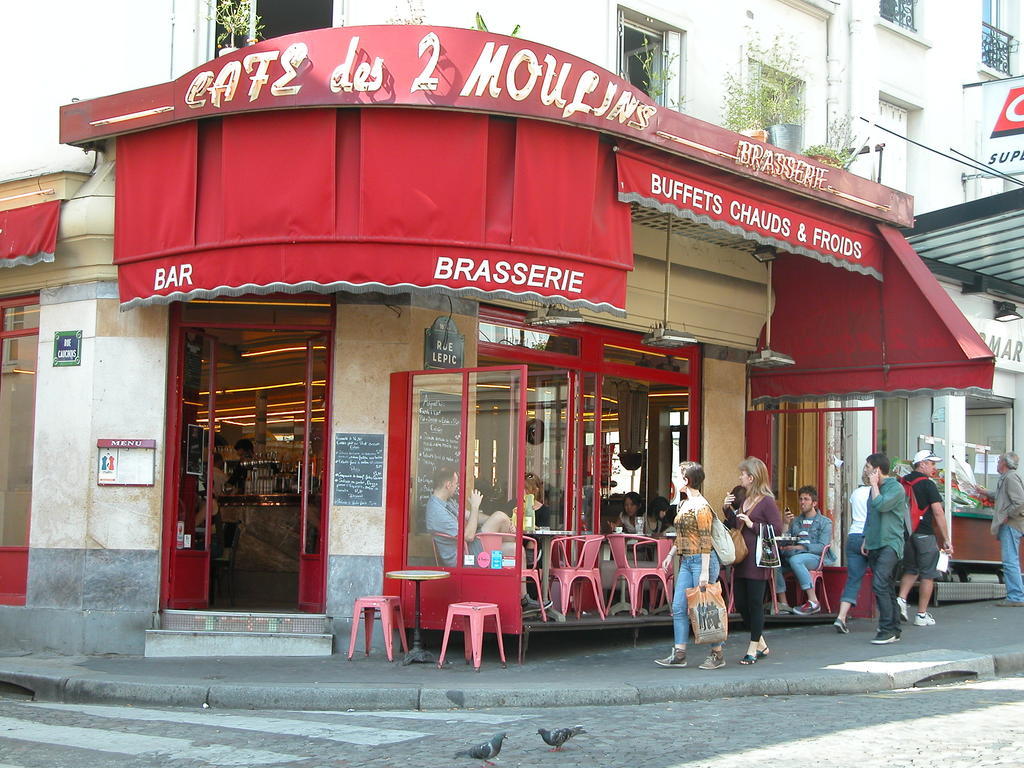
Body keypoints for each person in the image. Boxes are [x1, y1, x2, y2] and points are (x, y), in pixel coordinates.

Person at [654, 461, 726, 670]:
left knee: (704, 608)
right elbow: (683, 535)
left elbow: (705, 540)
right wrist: (671, 554)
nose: (676, 479)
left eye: (679, 476)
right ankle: (680, 653)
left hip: (701, 561)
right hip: (687, 560)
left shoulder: (702, 507)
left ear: (687, 481)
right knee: (679, 607)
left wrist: (704, 571)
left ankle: (717, 653)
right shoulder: (685, 504)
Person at [723, 457, 783, 665]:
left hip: (757, 559)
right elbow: (736, 526)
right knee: (741, 603)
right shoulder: (745, 500)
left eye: (743, 474)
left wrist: (753, 525)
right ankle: (762, 643)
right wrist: (728, 511)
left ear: (752, 477)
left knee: (755, 603)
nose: (740, 477)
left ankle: (752, 647)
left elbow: (777, 529)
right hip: (741, 558)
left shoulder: (767, 501)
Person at [896, 449, 954, 627]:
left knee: (911, 569)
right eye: (932, 463)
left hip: (906, 534)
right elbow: (938, 512)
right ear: (922, 464)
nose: (934, 468)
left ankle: (901, 599)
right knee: (928, 573)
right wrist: (946, 539)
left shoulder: (902, 482)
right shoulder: (928, 485)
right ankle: (921, 614)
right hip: (925, 533)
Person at [863, 452, 908, 644]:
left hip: (891, 542)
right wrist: (866, 539)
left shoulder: (895, 488)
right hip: (875, 543)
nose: (865, 471)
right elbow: (871, 516)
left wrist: (874, 485)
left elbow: (881, 506)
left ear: (877, 470)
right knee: (887, 586)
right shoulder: (874, 489)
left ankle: (886, 628)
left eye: (867, 467)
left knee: (880, 583)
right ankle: (894, 627)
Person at [773, 485, 835, 615]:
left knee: (796, 560)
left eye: (806, 499)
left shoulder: (825, 522)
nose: (802, 502)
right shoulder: (795, 521)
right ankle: (784, 604)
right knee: (774, 564)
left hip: (814, 558)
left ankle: (813, 601)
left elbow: (821, 546)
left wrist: (799, 547)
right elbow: (785, 539)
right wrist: (785, 524)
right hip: (793, 556)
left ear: (814, 503)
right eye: (801, 499)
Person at [833, 467, 872, 634]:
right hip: (869, 536)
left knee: (853, 579)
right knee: (882, 578)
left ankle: (841, 616)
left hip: (853, 535)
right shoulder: (875, 494)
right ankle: (888, 618)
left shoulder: (856, 493)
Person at [984, 451, 1024, 607]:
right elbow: (1003, 496)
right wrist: (985, 492)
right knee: (1011, 560)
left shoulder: (1011, 477)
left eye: (999, 460)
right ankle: (1016, 595)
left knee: (1010, 561)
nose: (997, 463)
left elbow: (1020, 501)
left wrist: (1007, 515)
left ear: (1004, 463)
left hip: (1011, 524)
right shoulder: (1008, 478)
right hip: (1012, 523)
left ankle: (1016, 597)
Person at [425, 467, 483, 567]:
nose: (457, 487)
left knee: (512, 546)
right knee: (499, 518)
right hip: (463, 559)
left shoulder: (446, 501)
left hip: (468, 548)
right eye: (456, 484)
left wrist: (483, 516)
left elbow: (469, 515)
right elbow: (469, 536)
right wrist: (475, 506)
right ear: (448, 485)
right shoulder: (437, 512)